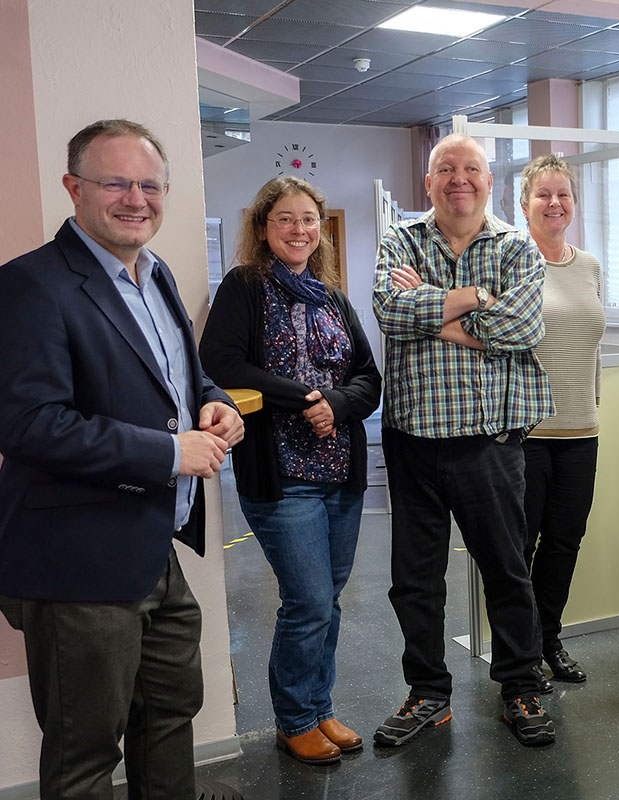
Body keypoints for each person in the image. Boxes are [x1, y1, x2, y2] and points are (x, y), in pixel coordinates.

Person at [0, 119, 244, 799]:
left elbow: (182, 379)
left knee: (168, 717)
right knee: (84, 751)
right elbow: (29, 426)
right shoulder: (31, 286)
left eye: (149, 184)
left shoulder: (155, 272)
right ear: (74, 188)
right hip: (75, 561)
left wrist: (215, 402)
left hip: (153, 546)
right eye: (115, 182)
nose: (136, 199)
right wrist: (171, 452)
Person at [372, 133, 556, 748]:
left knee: (506, 570)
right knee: (414, 579)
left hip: (490, 443)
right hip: (413, 441)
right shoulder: (401, 238)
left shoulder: (515, 246)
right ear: (427, 182)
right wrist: (477, 300)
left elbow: (523, 326)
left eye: (471, 168)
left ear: (489, 180)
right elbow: (389, 312)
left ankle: (520, 688)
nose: (459, 179)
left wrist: (433, 312)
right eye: (445, 169)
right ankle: (428, 692)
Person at [200, 177, 382, 765]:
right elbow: (220, 364)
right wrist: (309, 398)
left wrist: (340, 405)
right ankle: (295, 718)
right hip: (281, 474)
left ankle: (320, 707)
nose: (299, 229)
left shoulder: (332, 296)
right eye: (285, 219)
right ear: (263, 227)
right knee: (305, 600)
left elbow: (368, 378)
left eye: (308, 219)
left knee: (327, 598)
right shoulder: (244, 286)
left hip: (341, 471)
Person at [517, 154, 605, 688]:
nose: (554, 203)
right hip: (524, 433)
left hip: (581, 431)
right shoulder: (512, 262)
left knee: (564, 543)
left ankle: (549, 639)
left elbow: (591, 348)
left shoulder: (590, 265)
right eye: (543, 194)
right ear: (523, 204)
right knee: (519, 546)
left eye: (563, 194)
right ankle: (520, 652)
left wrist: (593, 403)